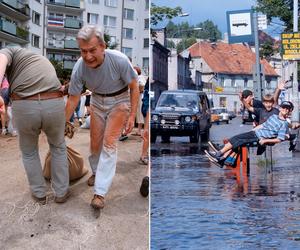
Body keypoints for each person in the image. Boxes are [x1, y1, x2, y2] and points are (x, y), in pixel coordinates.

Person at [65, 25, 139, 209]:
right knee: (95, 142)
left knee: (109, 143)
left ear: (103, 46)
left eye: (92, 50)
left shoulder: (119, 60)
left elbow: (134, 87)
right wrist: (62, 121)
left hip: (120, 101)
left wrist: (131, 118)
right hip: (97, 101)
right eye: (83, 51)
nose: (88, 56)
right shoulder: (79, 68)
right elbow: (74, 97)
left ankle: (100, 192)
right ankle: (97, 172)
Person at [0, 47, 69, 204]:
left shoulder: (8, 50)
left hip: (25, 105)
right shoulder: (37, 57)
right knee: (58, 146)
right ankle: (61, 192)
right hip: (54, 102)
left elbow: (1, 61)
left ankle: (39, 193)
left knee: (29, 151)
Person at [205, 101, 293, 167]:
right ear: (280, 108)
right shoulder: (273, 116)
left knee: (236, 139)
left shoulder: (284, 123)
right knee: (236, 140)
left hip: (259, 137)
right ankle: (221, 159)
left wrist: (265, 140)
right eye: (283, 107)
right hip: (255, 133)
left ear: (289, 111)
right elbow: (263, 125)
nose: (285, 110)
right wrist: (253, 130)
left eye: (287, 109)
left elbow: (279, 139)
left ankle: (218, 154)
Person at [139, 78, 150, 197]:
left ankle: (143, 155)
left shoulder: (148, 87)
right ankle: (147, 176)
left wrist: (146, 127)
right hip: (150, 113)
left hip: (148, 112)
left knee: (148, 136)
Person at [133, 66, 146, 136]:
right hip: (137, 96)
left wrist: (137, 88)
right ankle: (138, 130)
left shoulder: (140, 78)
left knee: (140, 113)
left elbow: (142, 85)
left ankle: (140, 131)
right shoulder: (138, 77)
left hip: (140, 97)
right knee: (138, 114)